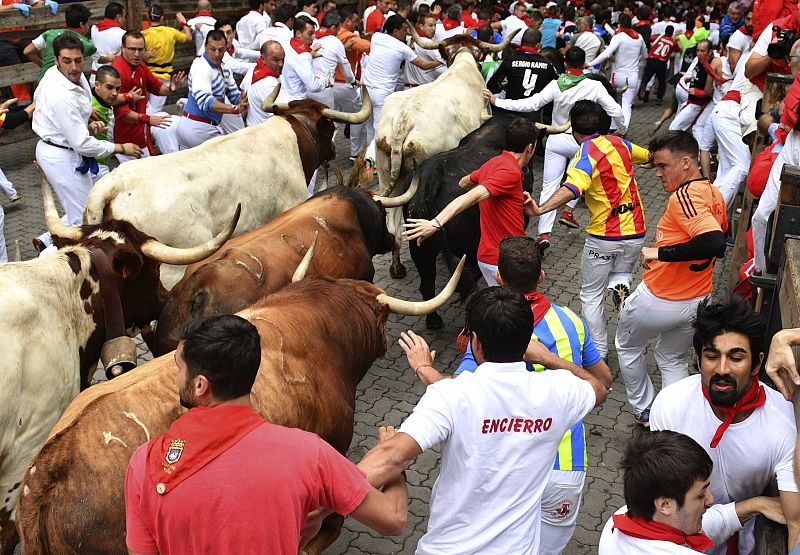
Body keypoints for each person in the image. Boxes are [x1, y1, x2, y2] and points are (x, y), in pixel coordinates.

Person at [124, 315, 408, 554]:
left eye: (178, 367)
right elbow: (393, 519)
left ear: (200, 385)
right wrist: (396, 468)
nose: (176, 376)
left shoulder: (145, 464)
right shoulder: (309, 452)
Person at [356, 286, 607, 554]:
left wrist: (322, 496)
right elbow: (600, 386)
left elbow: (390, 457)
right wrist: (547, 357)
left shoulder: (451, 394)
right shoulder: (559, 391)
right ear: (526, 342)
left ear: (475, 341)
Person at [449, 235, 611, 555]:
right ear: (541, 276)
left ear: (498, 276)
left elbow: (457, 392)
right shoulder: (571, 321)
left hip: (514, 466)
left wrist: (426, 369)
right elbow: (603, 379)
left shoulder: (492, 329)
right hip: (567, 468)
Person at [650, 298, 800, 554]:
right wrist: (753, 505)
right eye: (711, 356)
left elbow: (795, 522)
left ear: (756, 364)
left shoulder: (781, 417)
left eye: (736, 358)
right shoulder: (671, 404)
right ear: (698, 361)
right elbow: (666, 510)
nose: (722, 369)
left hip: (746, 540)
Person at [615, 131, 727, 427]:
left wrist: (659, 253)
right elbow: (719, 239)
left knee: (627, 347)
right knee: (670, 357)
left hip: (659, 300)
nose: (658, 174)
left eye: (664, 166)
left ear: (687, 163)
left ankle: (645, 409)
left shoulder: (684, 197)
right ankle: (675, 421)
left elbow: (715, 242)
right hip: (698, 300)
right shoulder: (714, 194)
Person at [523, 100, 648, 362]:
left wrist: (541, 209)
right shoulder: (620, 143)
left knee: (590, 295)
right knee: (621, 276)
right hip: (636, 233)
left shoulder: (585, 155)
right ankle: (624, 318)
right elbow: (649, 157)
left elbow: (572, 188)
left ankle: (600, 351)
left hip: (604, 238)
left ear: (574, 132)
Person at [485, 46, 626, 251]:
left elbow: (531, 104)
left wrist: (498, 101)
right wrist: (621, 130)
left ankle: (543, 233)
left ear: (566, 64)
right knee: (582, 180)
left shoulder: (556, 83)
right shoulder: (594, 86)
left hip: (557, 138)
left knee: (549, 186)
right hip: (584, 142)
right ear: (583, 63)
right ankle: (568, 210)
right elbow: (615, 110)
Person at [32, 33, 140, 251]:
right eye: (67, 61)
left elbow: (71, 116)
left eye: (78, 60)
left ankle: (46, 240)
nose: (73, 67)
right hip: (60, 155)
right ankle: (51, 258)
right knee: (84, 220)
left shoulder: (67, 76)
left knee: (86, 205)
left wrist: (85, 117)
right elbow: (82, 144)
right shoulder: (60, 95)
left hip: (64, 147)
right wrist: (120, 147)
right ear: (56, 60)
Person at [599, 430, 785, 553]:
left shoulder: (621, 518)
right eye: (700, 494)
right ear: (664, 504)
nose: (711, 499)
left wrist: (757, 505)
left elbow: (701, 526)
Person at [403, 118, 537, 286]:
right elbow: (470, 197)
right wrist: (435, 223)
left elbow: (464, 182)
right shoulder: (510, 172)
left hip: (486, 255)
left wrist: (500, 195)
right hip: (505, 259)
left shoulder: (492, 163)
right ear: (530, 148)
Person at [362, 15, 440, 145]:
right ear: (396, 31)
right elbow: (423, 65)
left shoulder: (376, 37)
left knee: (369, 127)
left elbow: (368, 37)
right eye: (404, 30)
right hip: (382, 93)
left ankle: (364, 157)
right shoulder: (402, 48)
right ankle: (373, 160)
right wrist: (439, 62)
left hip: (366, 90)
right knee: (379, 129)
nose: (407, 33)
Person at [112, 31, 186, 161]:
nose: (137, 54)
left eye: (140, 50)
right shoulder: (118, 72)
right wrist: (148, 119)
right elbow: (121, 112)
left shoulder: (140, 65)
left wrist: (170, 88)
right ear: (123, 49)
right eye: (132, 49)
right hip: (127, 140)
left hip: (142, 134)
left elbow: (157, 87)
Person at [176, 30, 245, 150]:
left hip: (200, 128)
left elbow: (234, 95)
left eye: (221, 50)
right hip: (197, 129)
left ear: (226, 49)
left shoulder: (224, 67)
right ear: (205, 47)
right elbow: (205, 102)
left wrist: (244, 100)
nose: (217, 54)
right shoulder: (201, 67)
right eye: (212, 49)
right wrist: (234, 109)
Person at [590, 13, 647, 130]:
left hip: (619, 75)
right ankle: (623, 130)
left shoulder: (619, 37)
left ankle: (612, 127)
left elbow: (606, 54)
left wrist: (590, 63)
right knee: (627, 105)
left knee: (615, 103)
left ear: (620, 24)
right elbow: (645, 55)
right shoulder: (639, 37)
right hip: (633, 76)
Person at [23, 4, 97, 83]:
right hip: (64, 84)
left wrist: (43, 64)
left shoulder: (49, 34)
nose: (89, 26)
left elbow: (27, 51)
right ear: (81, 24)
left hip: (42, 81)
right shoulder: (88, 46)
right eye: (88, 23)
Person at [486, 28, 558, 109]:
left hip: (510, 110)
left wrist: (504, 89)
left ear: (521, 42)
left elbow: (492, 85)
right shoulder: (547, 64)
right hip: (533, 113)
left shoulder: (511, 60)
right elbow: (556, 86)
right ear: (538, 45)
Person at [142, 4, 192, 115]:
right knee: (155, 109)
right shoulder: (171, 32)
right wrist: (183, 22)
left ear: (148, 17)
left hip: (146, 75)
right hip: (163, 77)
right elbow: (188, 37)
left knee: (143, 105)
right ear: (162, 18)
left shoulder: (143, 35)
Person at [334, 5, 370, 159]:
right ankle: (355, 153)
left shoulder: (335, 35)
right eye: (355, 21)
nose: (357, 24)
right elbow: (368, 47)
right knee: (359, 117)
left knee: (333, 122)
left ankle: (325, 150)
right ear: (347, 21)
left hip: (331, 86)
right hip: (343, 85)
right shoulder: (349, 36)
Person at [309, 11, 355, 109]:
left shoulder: (311, 38)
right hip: (324, 91)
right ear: (333, 27)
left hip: (308, 89)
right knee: (327, 121)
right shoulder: (335, 42)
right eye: (338, 29)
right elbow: (345, 67)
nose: (338, 33)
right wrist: (353, 81)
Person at [279, 16, 329, 102]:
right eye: (310, 34)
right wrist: (326, 81)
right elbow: (314, 87)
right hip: (297, 103)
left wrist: (310, 55)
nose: (313, 37)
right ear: (298, 33)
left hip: (281, 99)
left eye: (314, 33)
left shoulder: (284, 45)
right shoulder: (303, 56)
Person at [90, 65, 122, 181]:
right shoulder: (88, 108)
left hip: (102, 163)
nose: (114, 93)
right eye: (109, 87)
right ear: (97, 85)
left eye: (117, 89)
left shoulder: (104, 101)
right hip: (91, 167)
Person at [241, 40, 283, 126]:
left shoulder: (253, 68)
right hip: (266, 135)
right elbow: (280, 117)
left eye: (283, 59)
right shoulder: (270, 84)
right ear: (263, 59)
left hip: (251, 129)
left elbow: (242, 94)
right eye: (276, 60)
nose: (281, 64)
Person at [639, 24, 680, 103]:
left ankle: (643, 85)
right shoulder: (673, 42)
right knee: (662, 81)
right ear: (672, 33)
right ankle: (659, 97)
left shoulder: (658, 37)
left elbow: (648, 39)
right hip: (662, 62)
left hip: (651, 59)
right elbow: (678, 49)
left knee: (646, 76)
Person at [405, 12, 446, 87]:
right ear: (421, 26)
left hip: (407, 88)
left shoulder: (409, 40)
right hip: (422, 90)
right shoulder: (427, 42)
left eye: (435, 25)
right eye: (430, 25)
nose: (434, 29)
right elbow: (445, 60)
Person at [90, 1, 126, 84]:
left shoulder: (94, 28)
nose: (124, 20)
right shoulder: (122, 34)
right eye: (123, 17)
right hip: (111, 79)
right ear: (118, 17)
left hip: (94, 77)